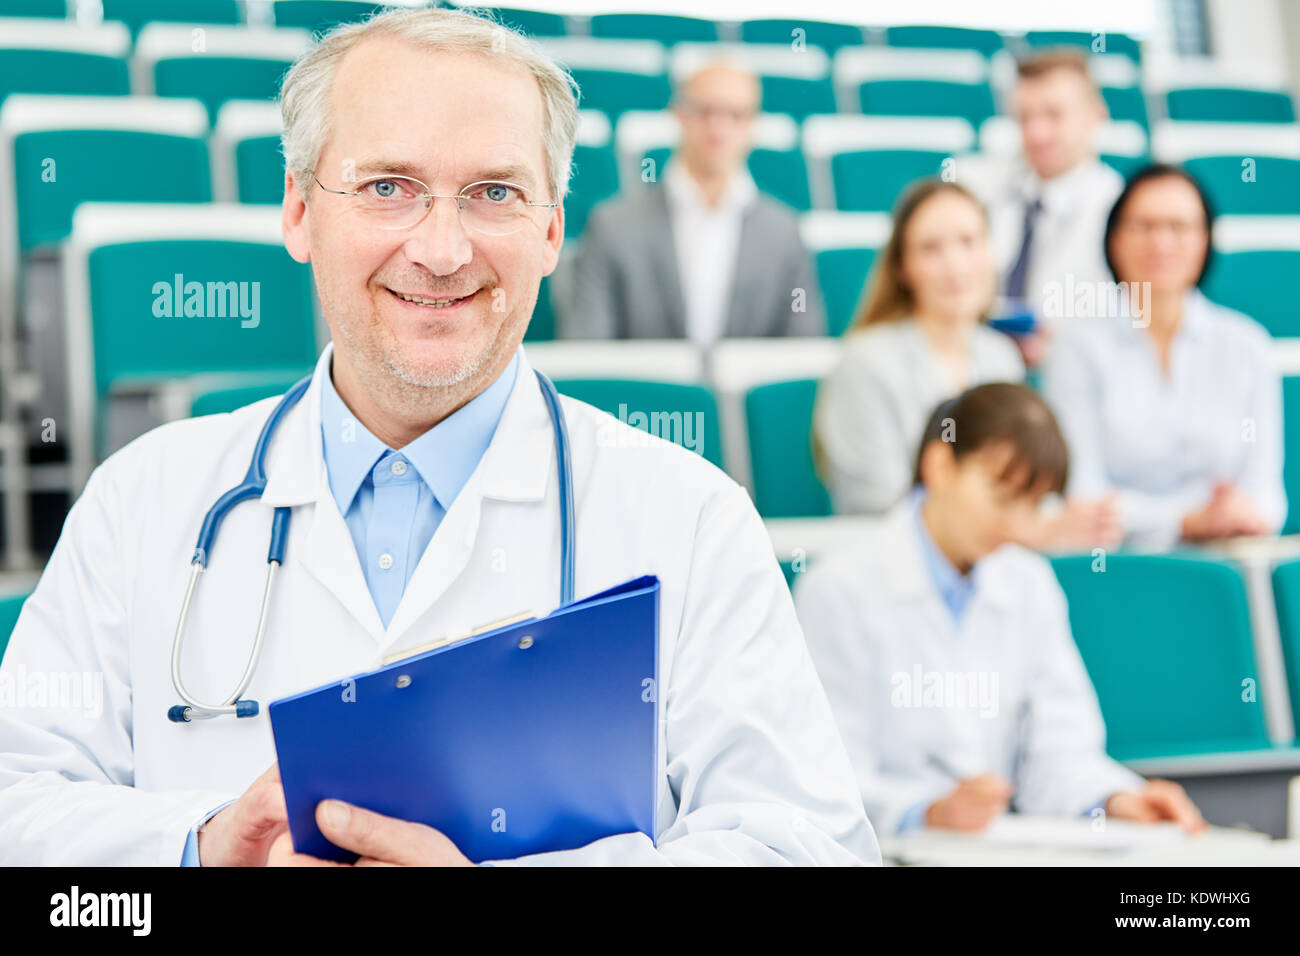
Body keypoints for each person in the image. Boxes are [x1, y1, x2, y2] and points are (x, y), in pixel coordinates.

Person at [0, 9, 877, 867]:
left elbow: (802, 846)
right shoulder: (141, 501)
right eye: (388, 187)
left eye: (494, 193)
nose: (443, 247)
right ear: (300, 213)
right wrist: (200, 848)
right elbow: (16, 803)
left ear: (550, 230)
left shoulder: (692, 518)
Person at [795, 383, 1207, 836]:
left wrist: (1117, 799)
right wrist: (925, 811)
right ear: (939, 466)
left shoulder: (1029, 585)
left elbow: (1060, 752)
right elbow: (823, 777)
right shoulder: (838, 589)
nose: (1015, 522)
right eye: (1001, 497)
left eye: (1032, 505)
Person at [1042, 164, 1285, 551]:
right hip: (1112, 560)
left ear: (1204, 240)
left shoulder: (1247, 346)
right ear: (1114, 240)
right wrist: (1187, 521)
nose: (1161, 243)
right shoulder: (1077, 346)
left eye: (1179, 227)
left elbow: (1266, 497)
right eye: (1143, 226)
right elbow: (1083, 495)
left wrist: (1238, 514)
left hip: (1227, 556)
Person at [563, 59, 825, 343]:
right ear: (678, 114)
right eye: (704, 111)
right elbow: (587, 348)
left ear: (753, 124)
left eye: (735, 115)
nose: (718, 128)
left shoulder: (784, 231)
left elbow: (804, 348)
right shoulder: (612, 226)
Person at [814, 179, 1027, 516]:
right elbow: (878, 506)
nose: (955, 266)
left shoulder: (1001, 358)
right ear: (903, 268)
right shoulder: (864, 365)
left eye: (969, 242)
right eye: (930, 249)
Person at [961, 49, 1124, 366]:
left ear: (1095, 115)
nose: (1036, 134)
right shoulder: (987, 194)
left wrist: (1060, 345)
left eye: (1054, 115)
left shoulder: (1122, 210)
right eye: (1024, 118)